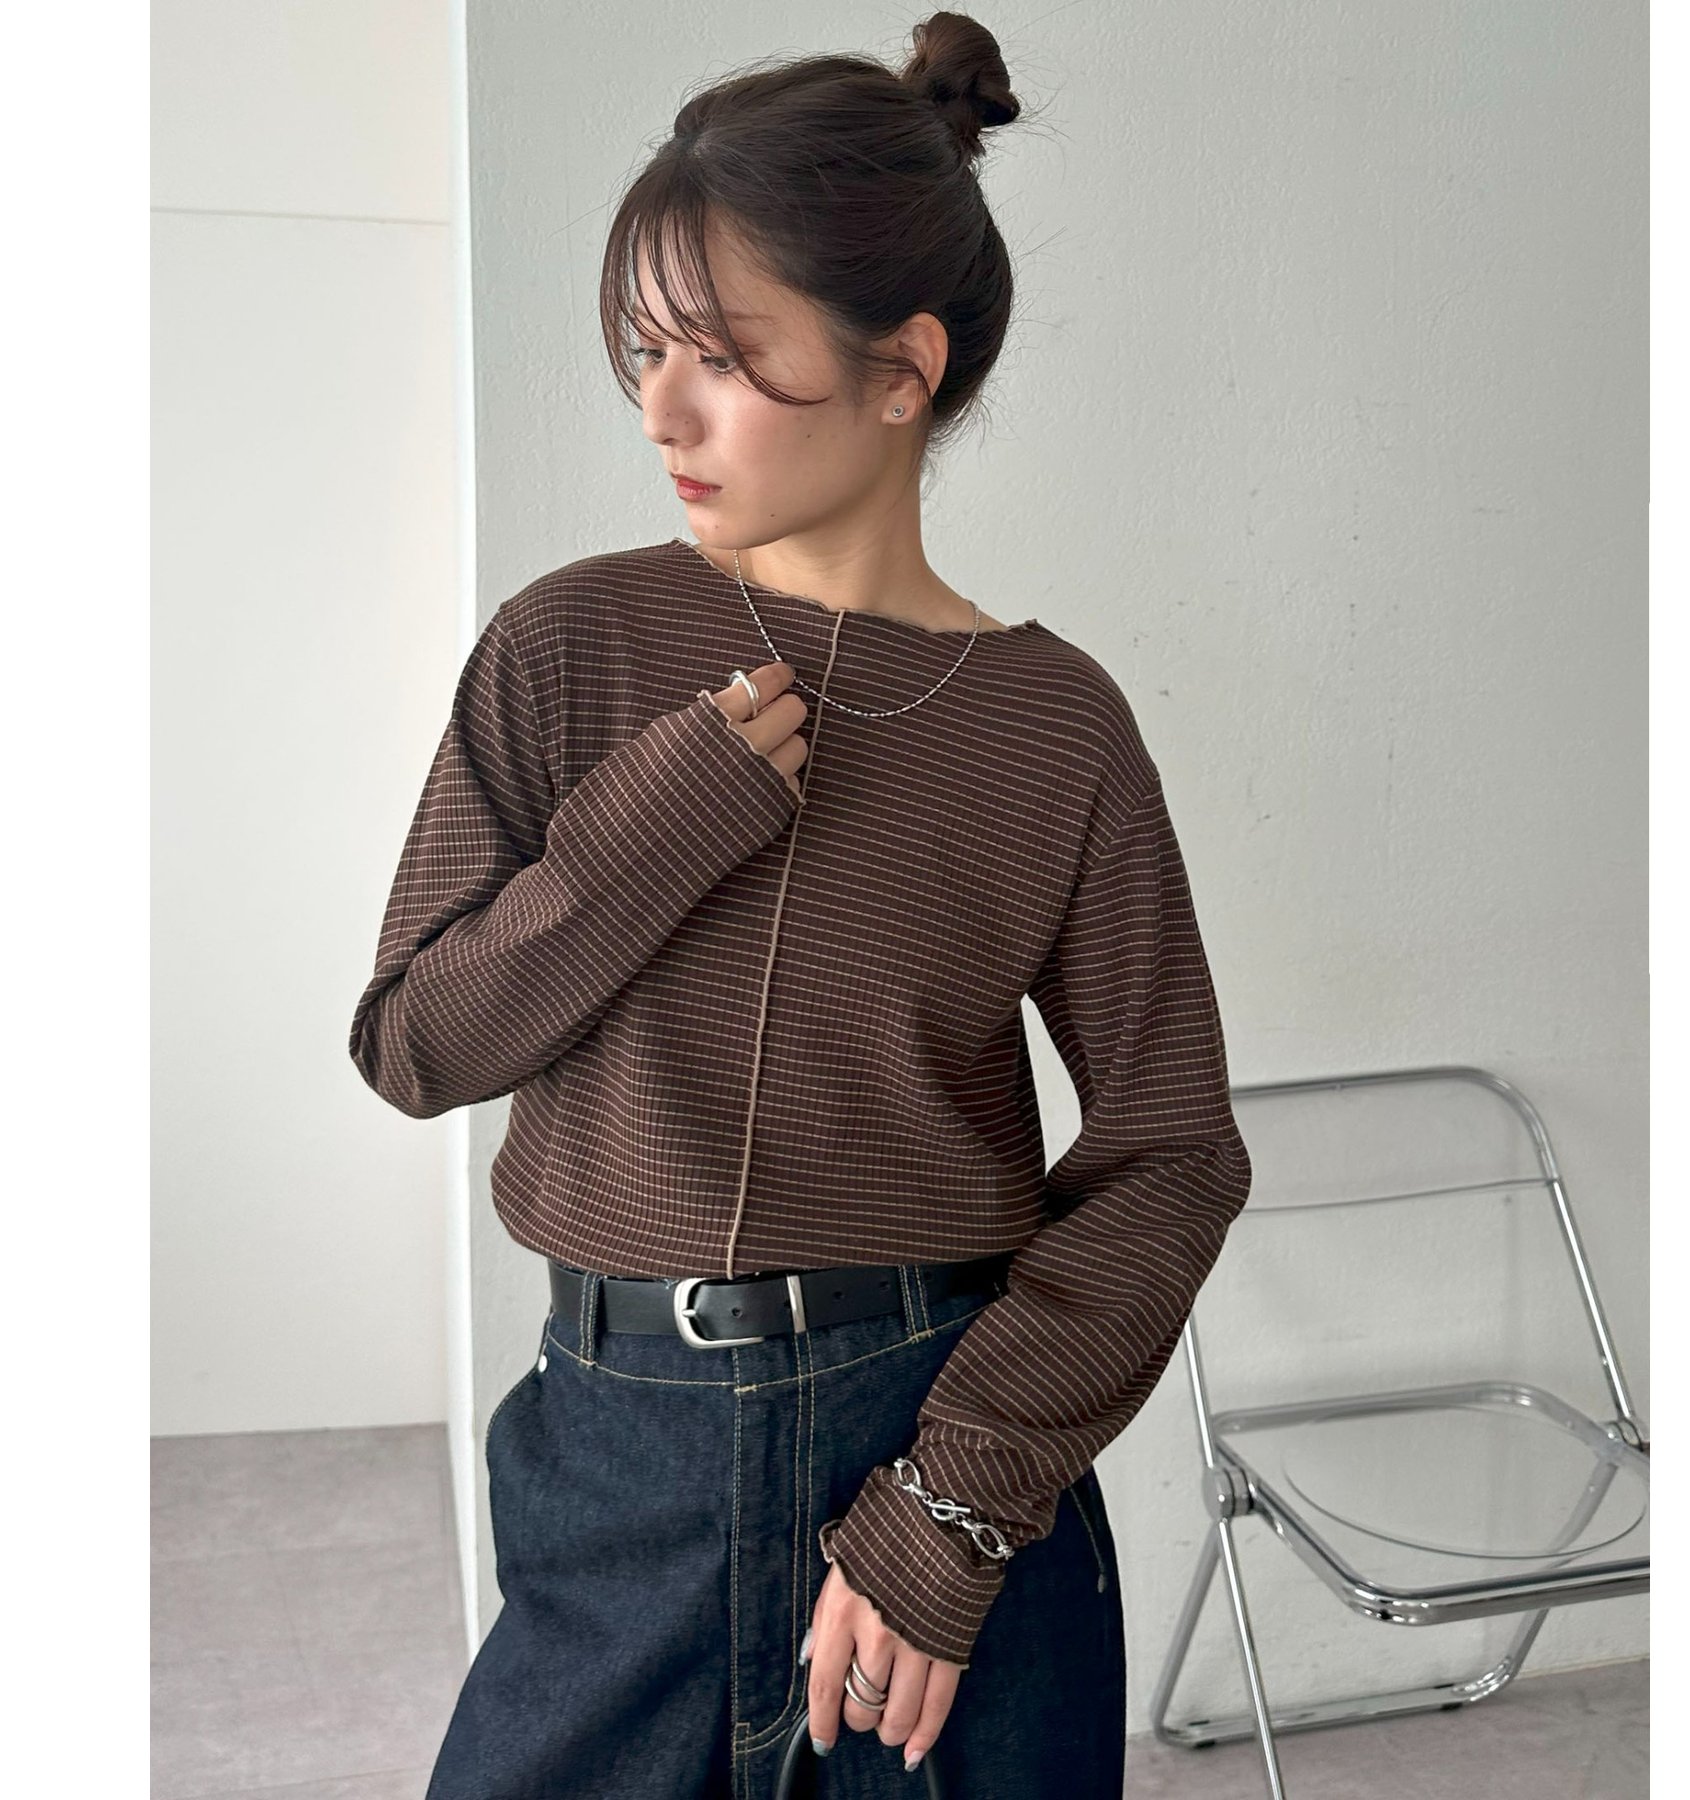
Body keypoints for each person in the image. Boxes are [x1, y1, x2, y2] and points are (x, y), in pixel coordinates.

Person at [348, 12, 1253, 1797]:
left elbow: (1173, 1152)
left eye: (724, 359)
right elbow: (415, 1047)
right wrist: (644, 839)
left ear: (901, 370)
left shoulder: (1054, 724)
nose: (660, 411)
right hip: (620, 1465)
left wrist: (951, 1508)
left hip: (934, 1458)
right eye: (646, 353)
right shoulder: (571, 644)